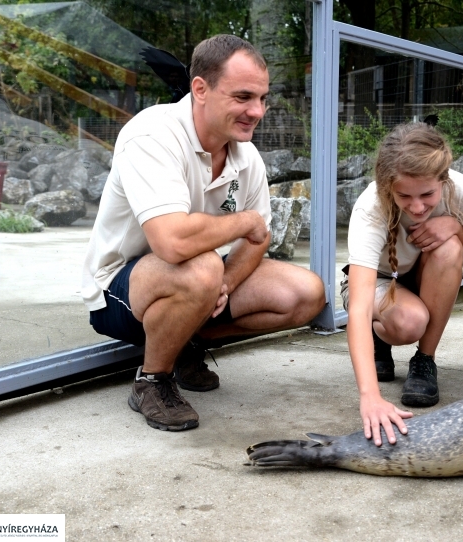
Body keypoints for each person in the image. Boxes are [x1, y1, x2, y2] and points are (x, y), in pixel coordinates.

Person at [81, 35, 326, 432]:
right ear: (200, 89)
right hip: (118, 290)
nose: (257, 111)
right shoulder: (152, 134)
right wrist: (241, 223)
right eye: (244, 96)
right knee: (201, 266)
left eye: (262, 98)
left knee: (305, 293)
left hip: (195, 279)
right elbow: (173, 242)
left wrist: (225, 284)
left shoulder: (247, 156)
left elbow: (259, 239)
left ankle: (183, 341)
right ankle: (151, 380)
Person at [342, 122, 463, 446]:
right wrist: (370, 397)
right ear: (386, 185)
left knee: (450, 249)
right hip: (378, 282)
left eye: (428, 195)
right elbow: (360, 307)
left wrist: (451, 226)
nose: (418, 207)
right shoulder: (370, 208)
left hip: (422, 277)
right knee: (409, 322)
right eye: (404, 196)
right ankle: (380, 340)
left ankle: (425, 361)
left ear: (444, 180)